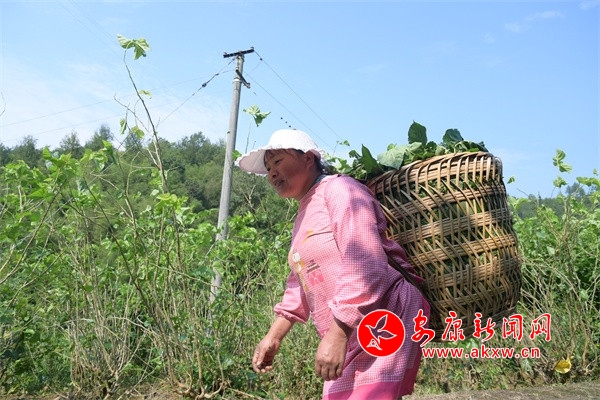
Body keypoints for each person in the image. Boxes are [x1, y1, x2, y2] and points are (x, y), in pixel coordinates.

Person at [237, 129, 430, 400]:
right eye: (268, 168)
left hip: (382, 318)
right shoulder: (303, 215)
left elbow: (366, 261)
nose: (272, 173)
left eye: (278, 161)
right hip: (351, 329)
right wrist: (274, 336)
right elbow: (300, 281)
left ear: (308, 159)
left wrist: (338, 333)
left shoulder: (340, 190)